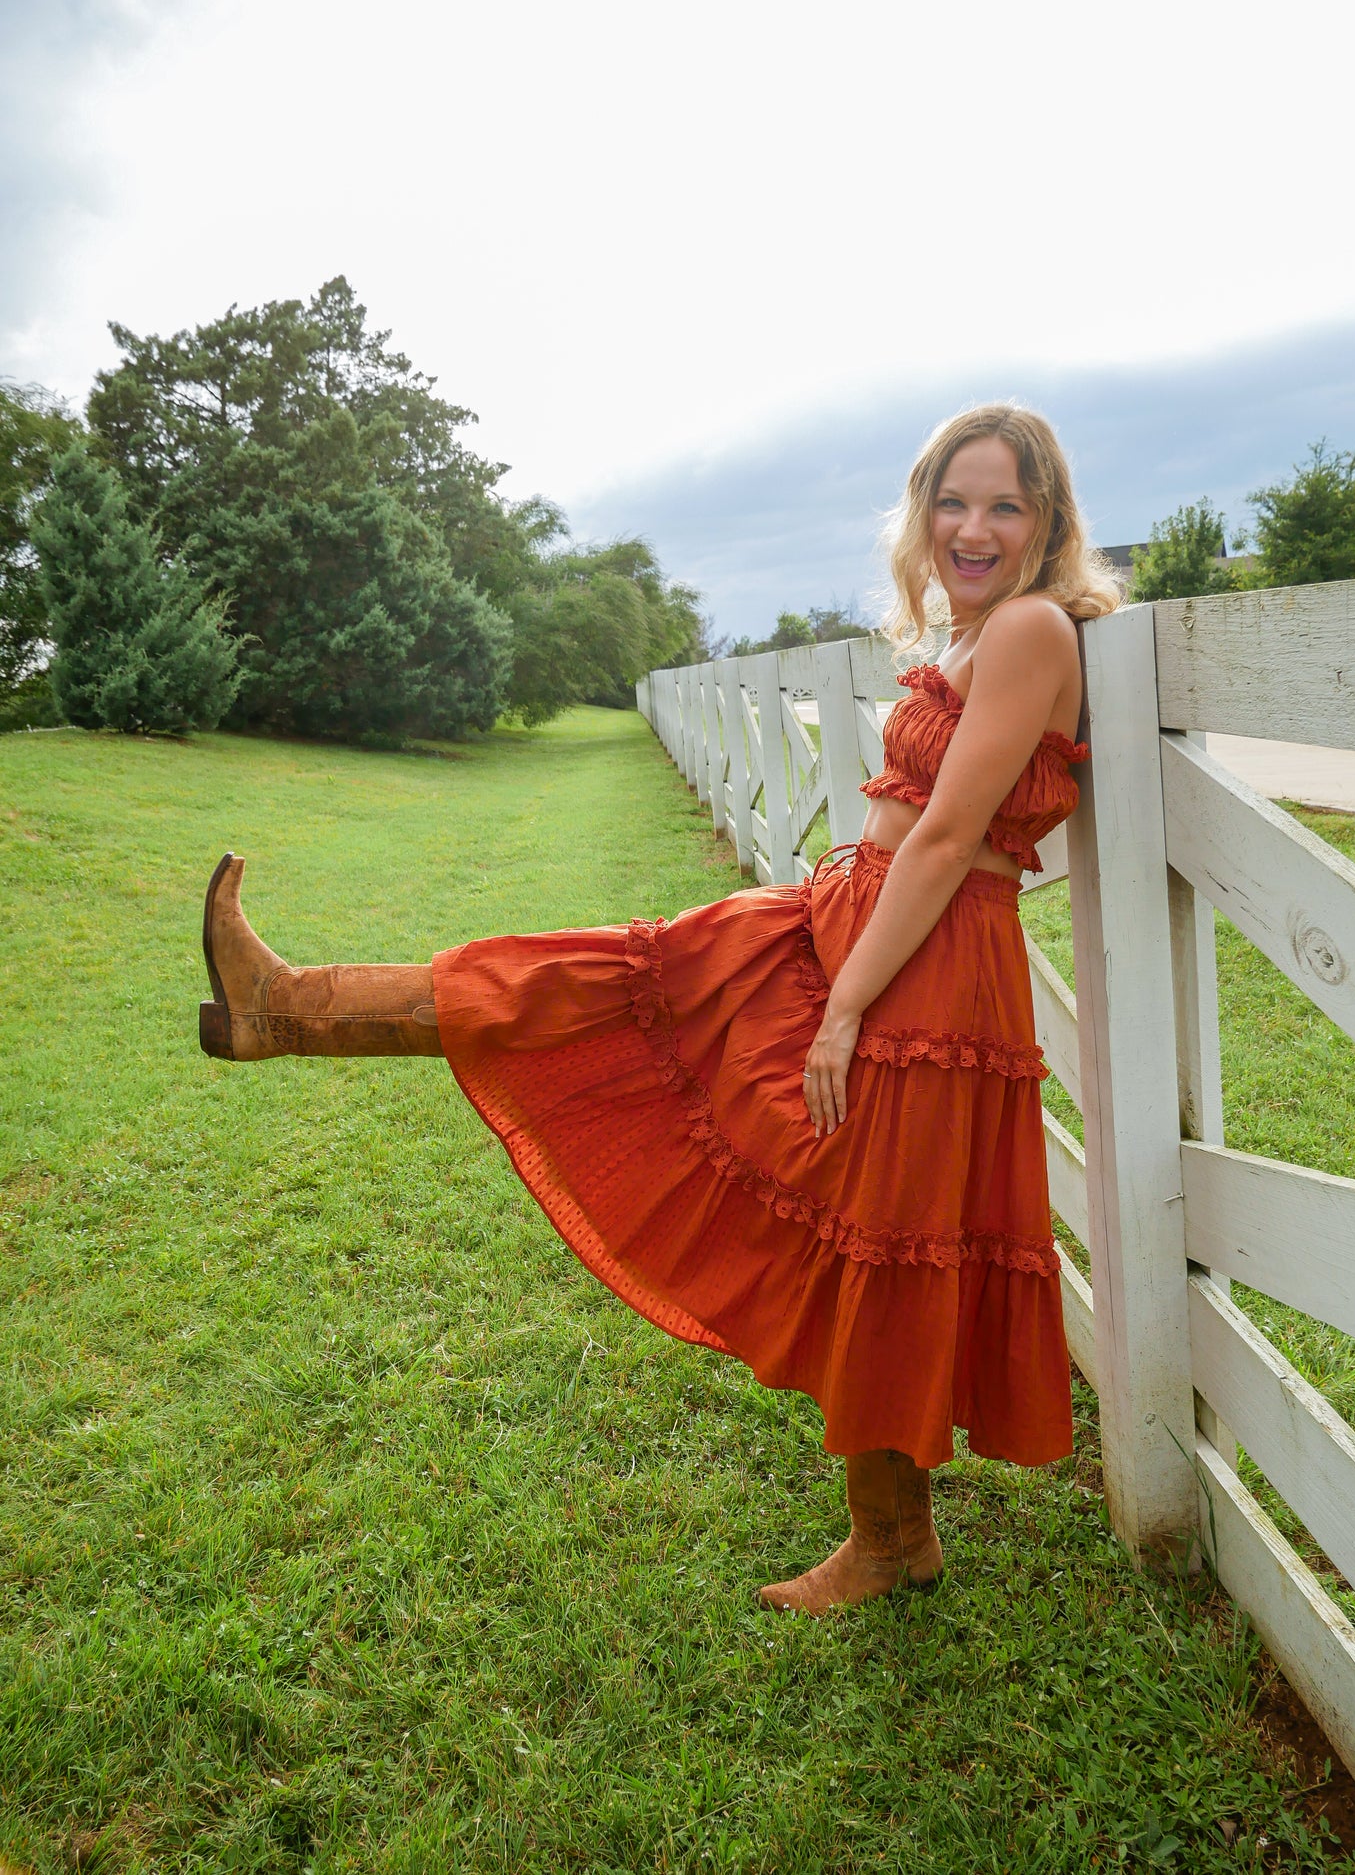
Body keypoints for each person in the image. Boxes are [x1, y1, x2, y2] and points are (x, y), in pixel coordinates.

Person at [198, 403, 1124, 1616]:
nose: (972, 526)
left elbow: (950, 835)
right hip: (856, 919)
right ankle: (287, 1006)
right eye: (952, 500)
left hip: (924, 964)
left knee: (879, 1240)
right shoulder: (968, 633)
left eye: (1004, 504)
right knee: (608, 984)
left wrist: (845, 1005)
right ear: (920, 509)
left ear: (1047, 520)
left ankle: (892, 1539)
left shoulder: (1029, 629)